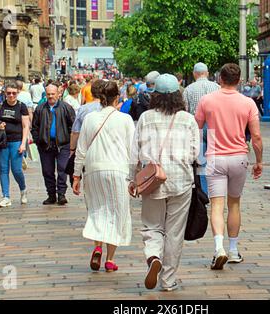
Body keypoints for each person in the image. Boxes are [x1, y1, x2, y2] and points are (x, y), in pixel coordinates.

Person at [128, 74, 200, 292]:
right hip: (181, 180)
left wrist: (132, 178)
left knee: (152, 225)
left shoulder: (146, 118)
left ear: (155, 95)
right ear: (178, 95)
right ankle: (168, 281)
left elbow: (135, 152)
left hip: (152, 180)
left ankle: (153, 256)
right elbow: (196, 152)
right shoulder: (188, 119)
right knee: (174, 231)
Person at [195, 63, 263, 269]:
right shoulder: (248, 103)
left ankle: (219, 249)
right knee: (234, 204)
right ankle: (233, 250)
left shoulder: (207, 100)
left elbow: (195, 129)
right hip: (238, 157)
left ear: (220, 79)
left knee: (216, 205)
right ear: (239, 80)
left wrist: (196, 155)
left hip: (215, 157)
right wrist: (259, 161)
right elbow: (257, 137)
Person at [73, 81, 135, 272]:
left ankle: (97, 247)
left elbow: (81, 149)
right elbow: (133, 150)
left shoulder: (90, 118)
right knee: (118, 213)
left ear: (100, 98)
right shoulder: (125, 120)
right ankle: (110, 259)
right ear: (117, 98)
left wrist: (76, 175)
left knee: (97, 210)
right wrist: (134, 177)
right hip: (118, 169)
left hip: (93, 169)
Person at [31, 83, 76, 205]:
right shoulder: (40, 108)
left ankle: (61, 194)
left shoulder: (66, 108)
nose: (50, 96)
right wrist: (38, 140)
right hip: (45, 145)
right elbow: (34, 127)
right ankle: (51, 195)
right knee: (47, 171)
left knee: (62, 169)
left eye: (53, 94)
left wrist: (72, 144)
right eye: (48, 94)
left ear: (58, 94)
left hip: (63, 144)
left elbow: (73, 126)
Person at [183, 62, 220, 196]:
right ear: (207, 73)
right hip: (214, 127)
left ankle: (204, 193)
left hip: (196, 128)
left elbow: (185, 111)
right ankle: (215, 190)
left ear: (194, 74)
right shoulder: (217, 87)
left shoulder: (188, 89)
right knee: (214, 160)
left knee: (201, 163)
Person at [0, 82, 29, 208]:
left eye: (14, 93)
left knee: (16, 169)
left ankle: (23, 189)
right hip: (2, 141)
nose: (11, 95)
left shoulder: (21, 106)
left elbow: (25, 126)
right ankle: (6, 196)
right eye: (8, 93)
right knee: (3, 169)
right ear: (5, 93)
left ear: (18, 93)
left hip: (17, 140)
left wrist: (23, 143)